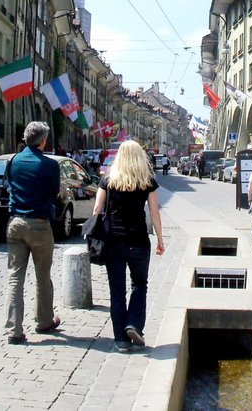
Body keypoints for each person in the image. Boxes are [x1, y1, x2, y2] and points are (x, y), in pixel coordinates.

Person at [92, 140, 164, 352]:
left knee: (117, 292)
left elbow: (97, 209)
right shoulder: (147, 180)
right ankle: (134, 324)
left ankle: (121, 341)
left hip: (113, 242)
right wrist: (160, 239)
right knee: (140, 285)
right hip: (139, 241)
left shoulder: (108, 179)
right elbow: (154, 213)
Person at [5, 122, 62, 344]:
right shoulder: (49, 165)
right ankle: (44, 321)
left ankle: (13, 330)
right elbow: (55, 193)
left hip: (16, 223)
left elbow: (10, 185)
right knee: (42, 276)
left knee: (15, 277)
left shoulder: (13, 161)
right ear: (43, 141)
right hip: (39, 223)